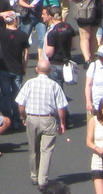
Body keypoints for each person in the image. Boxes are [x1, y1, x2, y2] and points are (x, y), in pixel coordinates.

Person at [16, 57, 69, 188]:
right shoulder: (54, 85)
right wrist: (62, 123)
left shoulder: (29, 83)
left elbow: (21, 104)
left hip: (32, 118)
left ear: (36, 69)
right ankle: (42, 181)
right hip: (48, 120)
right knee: (46, 151)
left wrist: (24, 117)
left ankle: (34, 175)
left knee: (33, 150)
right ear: (49, 71)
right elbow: (61, 107)